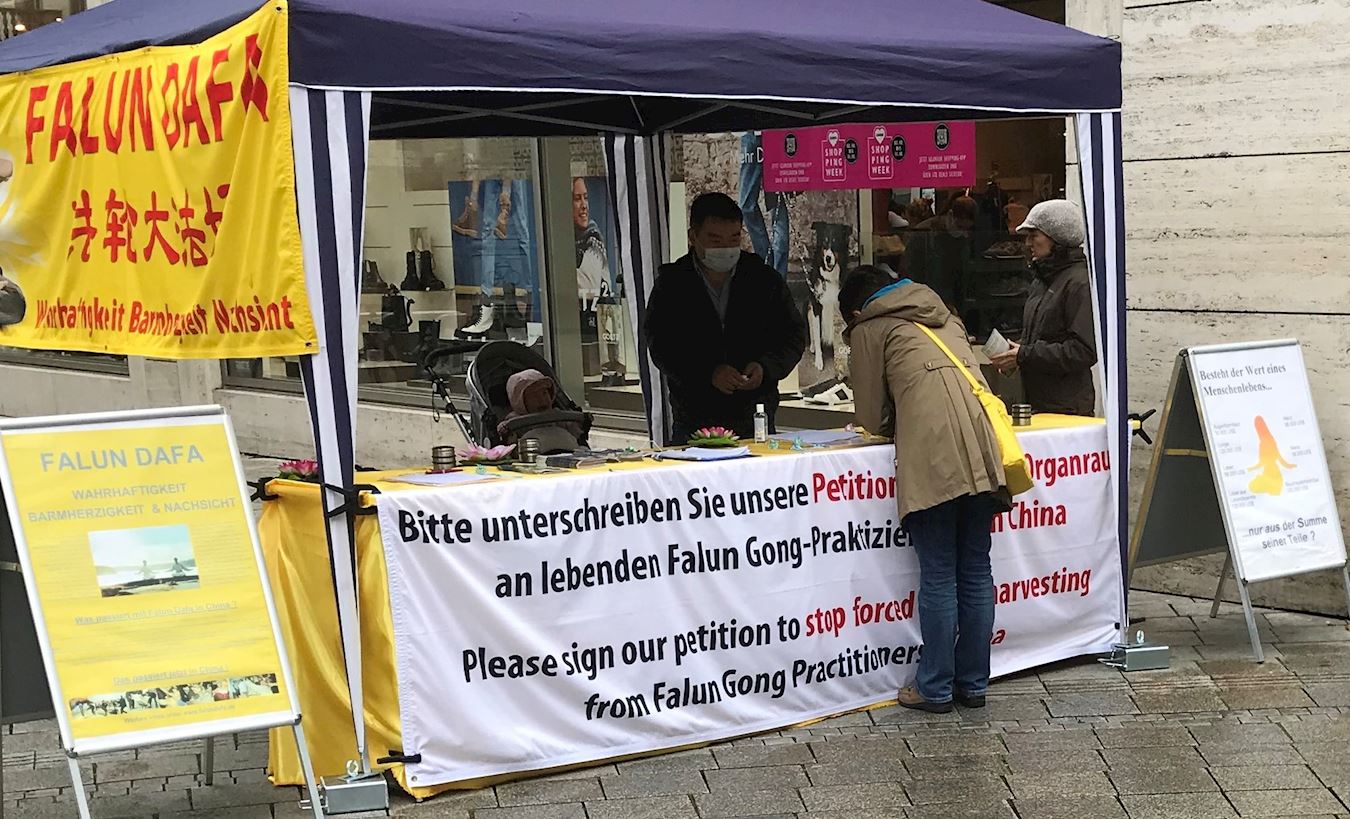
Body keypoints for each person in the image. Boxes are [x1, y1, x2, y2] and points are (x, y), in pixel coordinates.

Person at [840, 264, 1009, 713]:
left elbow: (871, 416)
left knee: (939, 573)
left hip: (932, 456)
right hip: (982, 451)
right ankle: (973, 683)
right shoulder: (945, 316)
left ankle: (934, 687)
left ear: (856, 310)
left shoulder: (871, 328)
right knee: (976, 569)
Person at [644, 192, 806, 443]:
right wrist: (707, 373)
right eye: (715, 240)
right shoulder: (672, 284)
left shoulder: (763, 279)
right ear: (693, 237)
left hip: (754, 416)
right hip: (694, 418)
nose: (726, 248)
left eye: (734, 239)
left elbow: (792, 336)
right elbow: (662, 345)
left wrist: (765, 367)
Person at [989, 199, 1097, 415]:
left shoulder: (1079, 283)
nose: (1028, 243)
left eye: (1034, 235)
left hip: (1067, 409)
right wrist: (1017, 351)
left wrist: (1025, 354)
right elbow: (1045, 335)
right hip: (1040, 402)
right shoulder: (1043, 280)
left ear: (1057, 239)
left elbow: (1083, 351)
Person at [738, 132, 790, 277]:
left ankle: (778, 275)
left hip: (775, 132)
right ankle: (766, 263)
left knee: (777, 205)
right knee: (745, 205)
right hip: (751, 133)